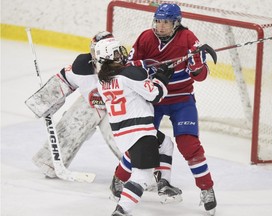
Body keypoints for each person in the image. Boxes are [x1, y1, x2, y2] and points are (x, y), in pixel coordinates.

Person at [110, 3, 217, 215]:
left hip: (182, 99)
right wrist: (152, 66)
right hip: (154, 100)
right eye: (158, 21)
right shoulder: (146, 38)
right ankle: (118, 179)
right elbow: (130, 67)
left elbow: (201, 76)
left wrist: (196, 63)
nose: (160, 26)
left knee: (189, 145)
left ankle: (207, 188)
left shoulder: (188, 38)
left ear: (176, 23)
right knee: (140, 143)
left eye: (165, 22)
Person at [95, 37, 176, 216]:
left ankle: (165, 184)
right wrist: (163, 76)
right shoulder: (130, 74)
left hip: (123, 133)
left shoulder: (102, 81)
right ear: (111, 56)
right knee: (142, 177)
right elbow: (155, 95)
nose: (121, 54)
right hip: (140, 131)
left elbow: (132, 83)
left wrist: (147, 73)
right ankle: (122, 210)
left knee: (166, 143)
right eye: (117, 52)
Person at [25, 31, 122, 178]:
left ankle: (141, 171)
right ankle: (50, 162)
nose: (95, 54)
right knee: (73, 124)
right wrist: (44, 101)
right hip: (91, 105)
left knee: (119, 138)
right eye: (93, 49)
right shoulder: (83, 65)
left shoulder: (124, 67)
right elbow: (64, 80)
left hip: (118, 108)